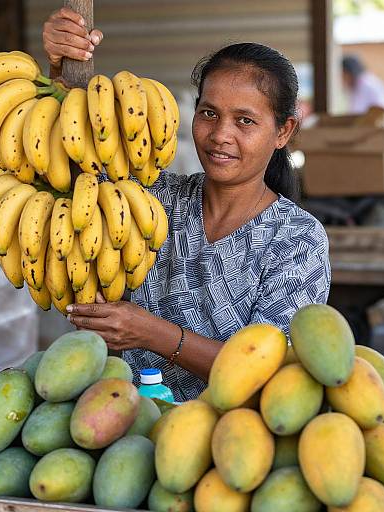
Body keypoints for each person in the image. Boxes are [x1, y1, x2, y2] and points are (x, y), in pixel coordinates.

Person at [43, 8, 331, 401]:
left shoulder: (298, 240)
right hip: (123, 420)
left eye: (244, 121)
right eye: (209, 113)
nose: (220, 136)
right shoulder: (153, 197)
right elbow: (69, 173)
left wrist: (152, 333)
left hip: (229, 436)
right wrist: (61, 70)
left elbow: (268, 370)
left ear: (284, 131)